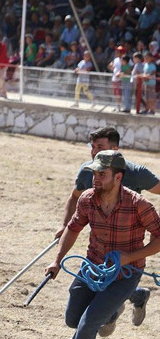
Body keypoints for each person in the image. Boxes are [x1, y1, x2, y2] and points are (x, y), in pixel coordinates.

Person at [46, 150, 160, 339]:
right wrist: (57, 260)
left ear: (118, 177)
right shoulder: (87, 199)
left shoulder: (139, 205)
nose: (95, 178)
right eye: (94, 173)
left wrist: (130, 257)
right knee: (73, 319)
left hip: (125, 274)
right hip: (92, 267)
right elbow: (73, 227)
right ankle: (134, 297)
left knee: (90, 322)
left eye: (102, 174)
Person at [55, 126, 160, 327]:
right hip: (99, 246)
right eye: (92, 146)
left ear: (115, 148)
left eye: (100, 147)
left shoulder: (137, 173)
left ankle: (99, 320)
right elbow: (75, 196)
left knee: (111, 290)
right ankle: (132, 299)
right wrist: (64, 225)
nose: (94, 152)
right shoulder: (88, 171)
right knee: (91, 295)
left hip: (126, 247)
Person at [108, 45, 125, 112]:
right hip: (114, 79)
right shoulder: (115, 59)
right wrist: (110, 66)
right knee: (115, 93)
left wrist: (121, 73)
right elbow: (113, 68)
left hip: (121, 79)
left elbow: (127, 68)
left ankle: (119, 107)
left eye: (118, 51)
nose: (116, 52)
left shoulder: (125, 59)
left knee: (119, 93)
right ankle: (116, 106)